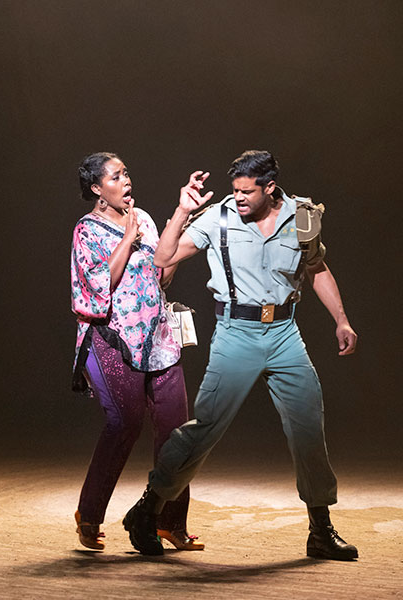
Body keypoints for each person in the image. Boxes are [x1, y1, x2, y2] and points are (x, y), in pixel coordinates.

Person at [122, 150, 359, 561]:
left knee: (308, 425)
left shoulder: (302, 215)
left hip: (285, 332)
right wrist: (182, 212)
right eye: (235, 190)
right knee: (206, 426)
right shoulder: (218, 217)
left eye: (248, 191)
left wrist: (341, 319)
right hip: (237, 333)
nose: (239, 198)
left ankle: (320, 530)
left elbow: (317, 268)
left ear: (270, 187)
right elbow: (162, 259)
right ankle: (149, 509)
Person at [70, 152, 203, 552]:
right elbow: (96, 290)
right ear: (97, 188)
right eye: (116, 175)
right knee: (124, 425)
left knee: (177, 432)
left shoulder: (143, 217)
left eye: (126, 172)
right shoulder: (86, 231)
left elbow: (160, 276)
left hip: (158, 337)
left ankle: (168, 521)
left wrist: (175, 229)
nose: (126, 180)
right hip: (112, 340)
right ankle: (89, 514)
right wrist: (128, 238)